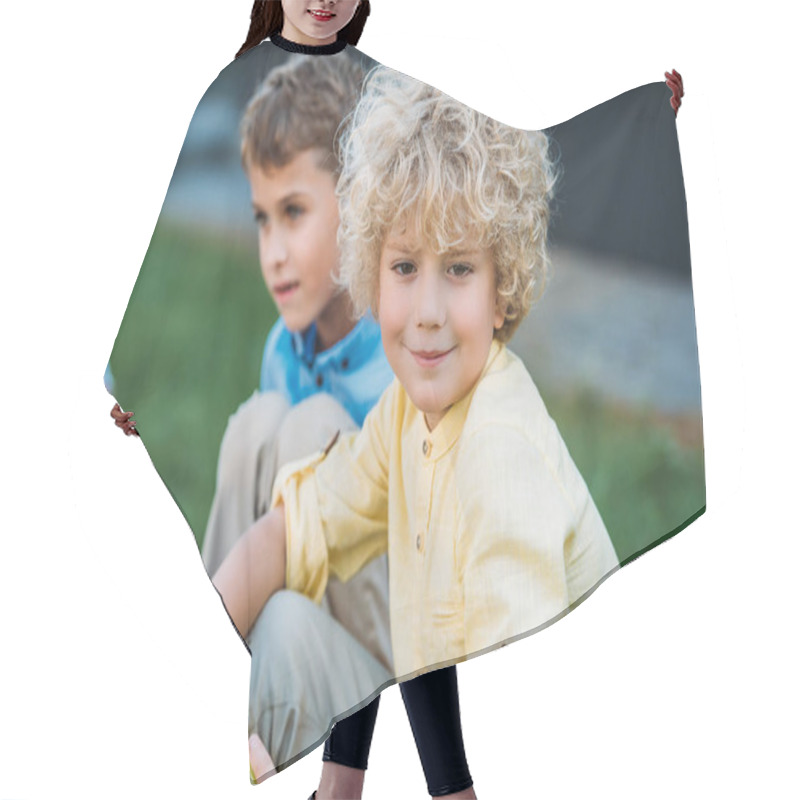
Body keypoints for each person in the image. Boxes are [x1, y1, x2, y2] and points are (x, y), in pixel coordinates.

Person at [213, 64, 620, 786]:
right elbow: (305, 522)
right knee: (278, 621)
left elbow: (520, 716)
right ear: (370, 274)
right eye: (404, 266)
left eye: (459, 268)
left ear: (504, 292)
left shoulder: (499, 451)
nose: (427, 309)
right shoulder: (406, 416)